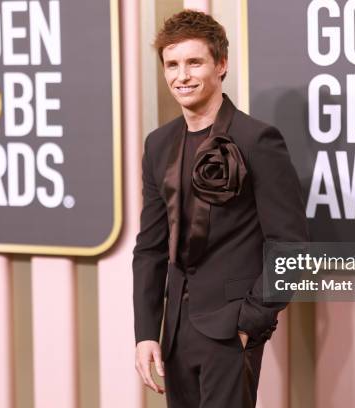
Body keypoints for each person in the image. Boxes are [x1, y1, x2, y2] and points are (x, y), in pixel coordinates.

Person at [133, 10, 308, 408]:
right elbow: (150, 247)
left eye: (194, 62)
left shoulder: (257, 139)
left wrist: (249, 324)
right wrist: (147, 332)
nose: (182, 76)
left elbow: (292, 247)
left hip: (231, 330)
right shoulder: (157, 145)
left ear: (221, 64)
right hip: (174, 334)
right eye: (172, 65)